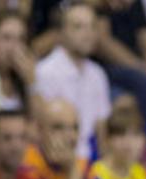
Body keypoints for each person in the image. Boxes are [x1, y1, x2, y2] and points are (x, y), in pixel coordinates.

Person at [34, 0, 111, 159]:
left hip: (90, 159)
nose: (87, 34)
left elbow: (102, 129)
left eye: (92, 27)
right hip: (59, 159)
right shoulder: (45, 72)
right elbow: (45, 132)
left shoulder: (97, 74)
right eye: (78, 27)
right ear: (61, 33)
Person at [0, 10, 35, 111]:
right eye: (6, 38)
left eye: (21, 39)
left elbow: (39, 121)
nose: (14, 47)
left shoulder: (25, 80)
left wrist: (31, 83)